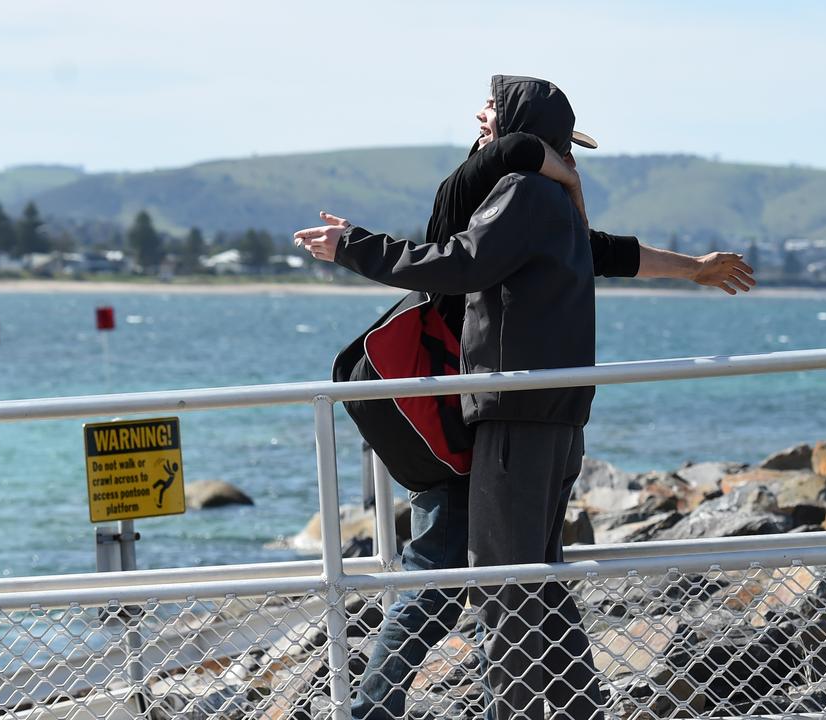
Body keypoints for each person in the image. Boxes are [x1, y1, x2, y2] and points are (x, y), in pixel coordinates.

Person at [295, 74, 753, 720]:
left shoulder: (520, 192)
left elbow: (459, 261)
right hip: (552, 416)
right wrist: (691, 268)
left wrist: (353, 247)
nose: (478, 122)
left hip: (511, 418)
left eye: (492, 114)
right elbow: (605, 253)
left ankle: (481, 712)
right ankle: (576, 708)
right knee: (539, 576)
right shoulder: (546, 198)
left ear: (514, 128)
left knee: (499, 587)